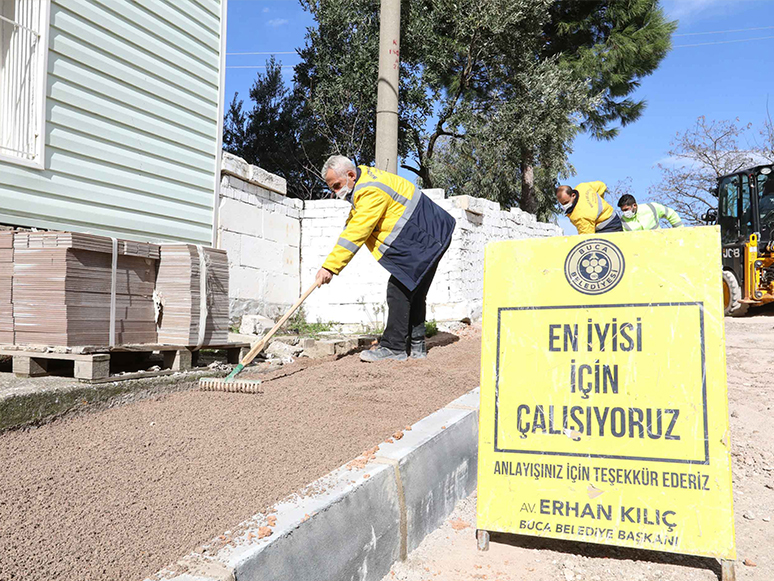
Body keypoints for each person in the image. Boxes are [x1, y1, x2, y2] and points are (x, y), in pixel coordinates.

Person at [315, 155, 455, 362]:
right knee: (413, 290)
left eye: (336, 186)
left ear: (351, 175)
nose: (335, 192)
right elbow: (354, 221)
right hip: (433, 233)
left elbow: (356, 232)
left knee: (397, 291)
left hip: (425, 238)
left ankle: (393, 347)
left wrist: (330, 267)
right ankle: (417, 346)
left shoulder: (370, 190)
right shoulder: (365, 181)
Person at [555, 181, 623, 234]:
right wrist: (596, 202)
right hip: (613, 217)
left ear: (573, 195)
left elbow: (587, 239)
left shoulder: (579, 216)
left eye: (566, 202)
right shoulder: (583, 187)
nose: (564, 206)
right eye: (562, 203)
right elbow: (602, 185)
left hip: (607, 228)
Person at [617, 195, 683, 230]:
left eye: (626, 209)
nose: (624, 212)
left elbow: (671, 214)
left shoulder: (651, 208)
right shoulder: (622, 222)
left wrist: (680, 231)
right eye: (622, 210)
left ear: (634, 205)